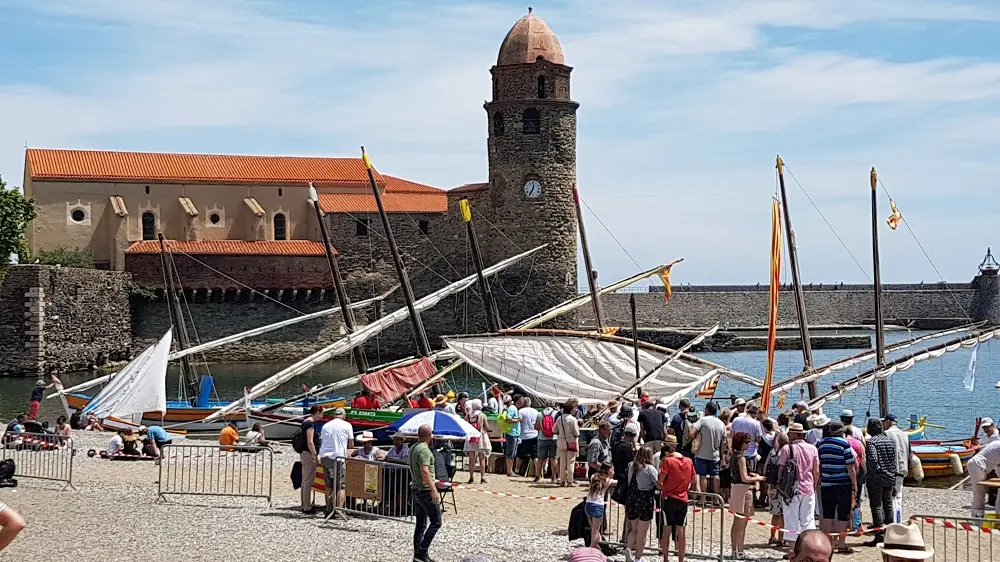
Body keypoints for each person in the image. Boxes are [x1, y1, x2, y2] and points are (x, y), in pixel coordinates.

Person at [817, 421, 858, 554]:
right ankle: (841, 543)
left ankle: (829, 543)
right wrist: (854, 484)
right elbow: (850, 467)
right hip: (842, 483)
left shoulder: (820, 444)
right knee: (843, 514)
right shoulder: (844, 444)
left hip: (826, 483)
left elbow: (819, 464)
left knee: (828, 514)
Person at [778, 422, 821, 543]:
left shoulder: (787, 448)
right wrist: (814, 486)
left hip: (790, 489)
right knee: (808, 519)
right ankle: (809, 546)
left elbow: (781, 469)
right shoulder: (813, 448)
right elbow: (816, 471)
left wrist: (779, 485)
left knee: (791, 519)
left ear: (792, 434)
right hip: (808, 488)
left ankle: (792, 548)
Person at [657, 435, 694, 562]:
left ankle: (666, 558)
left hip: (669, 498)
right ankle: (681, 559)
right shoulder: (689, 461)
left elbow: (660, 481)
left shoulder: (668, 461)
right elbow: (693, 480)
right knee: (681, 531)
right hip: (683, 498)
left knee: (666, 529)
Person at [729, 431, 765, 559]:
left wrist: (752, 475)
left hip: (735, 489)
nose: (749, 444)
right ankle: (740, 551)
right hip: (744, 490)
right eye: (747, 442)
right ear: (742, 443)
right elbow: (744, 478)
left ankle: (734, 550)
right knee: (742, 524)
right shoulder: (742, 458)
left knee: (736, 523)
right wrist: (759, 478)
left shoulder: (734, 455)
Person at [410, 424, 442, 562]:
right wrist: (434, 490)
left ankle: (418, 555)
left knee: (421, 524)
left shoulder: (413, 448)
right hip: (424, 489)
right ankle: (421, 553)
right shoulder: (425, 450)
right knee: (436, 522)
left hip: (416, 488)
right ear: (430, 435)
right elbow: (425, 471)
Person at [866, 418, 898, 545]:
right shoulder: (890, 441)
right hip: (890, 476)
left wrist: (874, 472)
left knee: (876, 505)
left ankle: (879, 534)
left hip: (877, 478)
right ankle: (890, 533)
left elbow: (873, 461)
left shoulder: (872, 442)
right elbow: (893, 461)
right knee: (888, 504)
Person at [624, 446, 658, 562]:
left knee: (634, 529)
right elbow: (657, 483)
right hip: (645, 500)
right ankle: (638, 558)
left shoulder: (631, 466)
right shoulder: (650, 469)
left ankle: (628, 548)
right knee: (642, 533)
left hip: (631, 500)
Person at [319, 407, 354, 518]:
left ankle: (328, 508)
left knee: (328, 485)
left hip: (325, 457)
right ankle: (338, 510)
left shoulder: (326, 425)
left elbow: (322, 441)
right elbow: (351, 444)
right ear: (344, 416)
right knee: (340, 486)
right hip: (338, 457)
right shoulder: (347, 425)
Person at [689, 401, 726, 494]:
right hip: (715, 454)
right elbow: (723, 443)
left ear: (706, 410)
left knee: (702, 476)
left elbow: (691, 433)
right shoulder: (721, 424)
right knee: (716, 475)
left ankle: (703, 498)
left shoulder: (703, 420)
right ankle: (717, 498)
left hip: (702, 453)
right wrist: (722, 457)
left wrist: (697, 436)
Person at [883, 413, 911, 521]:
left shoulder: (886, 434)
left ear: (888, 422)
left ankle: (891, 522)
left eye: (884, 422)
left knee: (888, 498)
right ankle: (898, 520)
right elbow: (910, 454)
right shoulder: (905, 435)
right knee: (898, 497)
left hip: (890, 470)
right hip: (902, 470)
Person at [765, 430, 790, 547]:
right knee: (783, 514)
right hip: (782, 486)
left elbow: (765, 467)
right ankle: (781, 538)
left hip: (772, 485)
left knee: (775, 513)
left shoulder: (772, 452)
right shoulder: (786, 452)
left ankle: (772, 536)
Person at [298, 405, 324, 514]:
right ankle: (307, 506)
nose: (322, 416)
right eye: (321, 413)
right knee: (308, 480)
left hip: (304, 453)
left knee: (305, 479)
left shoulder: (305, 422)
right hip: (308, 454)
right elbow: (310, 441)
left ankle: (304, 504)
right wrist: (315, 455)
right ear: (317, 412)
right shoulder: (310, 424)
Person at [585, 462, 615, 549]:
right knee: (595, 531)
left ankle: (597, 545)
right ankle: (593, 547)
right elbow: (617, 483)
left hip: (588, 504)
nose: (613, 472)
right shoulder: (607, 480)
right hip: (598, 506)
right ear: (607, 470)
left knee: (594, 529)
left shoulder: (593, 476)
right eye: (612, 470)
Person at [969, 438, 1000, 519]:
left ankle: (979, 517)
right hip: (979, 466)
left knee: (979, 493)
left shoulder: (996, 443)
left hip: (974, 463)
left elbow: (998, 465)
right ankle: (977, 519)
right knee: (979, 494)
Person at [554, 398, 581, 487]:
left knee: (562, 462)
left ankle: (562, 480)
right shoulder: (573, 419)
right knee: (571, 462)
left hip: (561, 442)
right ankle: (570, 481)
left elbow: (554, 430)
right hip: (571, 442)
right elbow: (577, 433)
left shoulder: (559, 418)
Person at [463, 399, 491, 484]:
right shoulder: (482, 415)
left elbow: (464, 425)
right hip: (481, 437)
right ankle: (482, 477)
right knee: (481, 458)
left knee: (471, 458)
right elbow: (486, 427)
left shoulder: (468, 415)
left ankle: (471, 477)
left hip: (471, 437)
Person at [731, 404, 763, 473]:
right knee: (750, 475)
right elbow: (758, 440)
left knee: (737, 476)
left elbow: (732, 435)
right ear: (756, 414)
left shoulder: (736, 420)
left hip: (737, 453)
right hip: (750, 453)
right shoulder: (756, 424)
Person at [517, 397, 540, 478]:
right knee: (535, 455)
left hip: (523, 435)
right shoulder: (536, 411)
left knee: (520, 455)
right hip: (534, 434)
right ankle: (537, 472)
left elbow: (519, 421)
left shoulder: (521, 411)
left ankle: (517, 470)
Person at [536, 405, 560, 484]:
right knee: (553, 458)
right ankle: (554, 477)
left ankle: (538, 476)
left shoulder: (539, 414)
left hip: (542, 438)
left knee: (540, 458)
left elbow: (536, 427)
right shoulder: (556, 413)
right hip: (554, 438)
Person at [502, 396, 521, 477]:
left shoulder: (509, 408)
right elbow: (507, 419)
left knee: (512, 453)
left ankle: (510, 470)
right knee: (511, 453)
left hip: (512, 432)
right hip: (512, 433)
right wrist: (517, 419)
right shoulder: (512, 408)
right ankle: (509, 471)